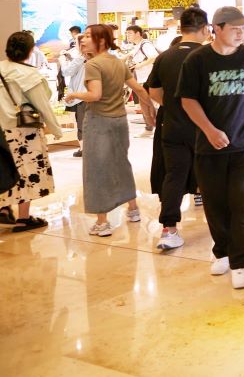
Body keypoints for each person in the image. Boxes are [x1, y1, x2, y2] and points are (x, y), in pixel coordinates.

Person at [178, 7, 244, 289]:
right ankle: (222, 251)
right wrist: (209, 130)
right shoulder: (197, 60)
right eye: (234, 28)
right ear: (216, 28)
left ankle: (241, 262)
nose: (240, 33)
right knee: (215, 203)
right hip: (209, 146)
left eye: (242, 28)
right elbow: (188, 100)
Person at [65, 24, 150, 237]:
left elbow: (95, 95)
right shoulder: (118, 62)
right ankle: (133, 209)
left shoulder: (93, 64)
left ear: (101, 40)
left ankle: (102, 222)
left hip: (99, 122)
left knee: (96, 170)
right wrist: (152, 113)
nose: (83, 40)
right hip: (119, 121)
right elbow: (139, 89)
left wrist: (74, 95)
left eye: (87, 36)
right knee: (121, 164)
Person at [146, 6, 212, 251]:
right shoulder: (209, 56)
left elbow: (153, 91)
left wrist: (173, 106)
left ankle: (169, 230)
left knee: (173, 176)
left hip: (173, 126)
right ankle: (221, 226)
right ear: (205, 29)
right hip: (204, 127)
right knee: (212, 174)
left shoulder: (164, 56)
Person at [0, 31, 62, 232]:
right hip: (23, 131)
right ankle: (23, 218)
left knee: (5, 169)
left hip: (1, 131)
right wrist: (56, 129)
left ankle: (3, 208)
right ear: (29, 51)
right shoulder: (29, 74)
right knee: (27, 171)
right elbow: (42, 104)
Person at [126, 25, 159, 133]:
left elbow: (153, 57)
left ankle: (151, 128)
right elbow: (130, 54)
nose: (127, 35)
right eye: (127, 33)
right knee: (144, 103)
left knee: (147, 103)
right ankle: (149, 127)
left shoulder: (146, 44)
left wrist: (140, 65)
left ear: (138, 33)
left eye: (130, 33)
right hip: (142, 79)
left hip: (148, 79)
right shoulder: (138, 45)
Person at [61, 34, 88, 157]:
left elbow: (67, 72)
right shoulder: (91, 57)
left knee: (81, 123)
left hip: (80, 96)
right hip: (90, 94)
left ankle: (83, 149)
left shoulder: (81, 58)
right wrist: (70, 58)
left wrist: (62, 61)